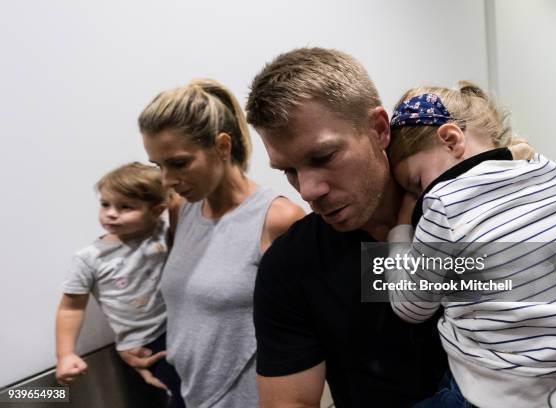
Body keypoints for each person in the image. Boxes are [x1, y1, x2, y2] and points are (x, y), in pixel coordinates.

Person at [244, 47, 450, 407]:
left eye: (323, 157)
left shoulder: (470, 219)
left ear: (379, 129)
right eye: (288, 171)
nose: (308, 191)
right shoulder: (290, 265)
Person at [384, 82, 556, 407]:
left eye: (416, 183)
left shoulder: (444, 203)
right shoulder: (547, 170)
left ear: (451, 140)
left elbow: (409, 308)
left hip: (504, 388)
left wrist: (400, 231)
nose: (419, 196)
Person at [121, 78, 304, 407]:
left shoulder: (276, 219)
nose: (167, 180)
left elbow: (309, 331)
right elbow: (192, 301)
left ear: (222, 146)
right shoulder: (183, 209)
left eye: (179, 163)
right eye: (158, 166)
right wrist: (137, 343)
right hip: (189, 394)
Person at [55, 162, 185, 408]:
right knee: (181, 393)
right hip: (144, 342)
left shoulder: (161, 233)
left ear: (157, 210)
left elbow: (177, 201)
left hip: (181, 327)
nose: (111, 213)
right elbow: (70, 308)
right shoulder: (90, 257)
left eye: (125, 207)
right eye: (105, 204)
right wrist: (65, 354)